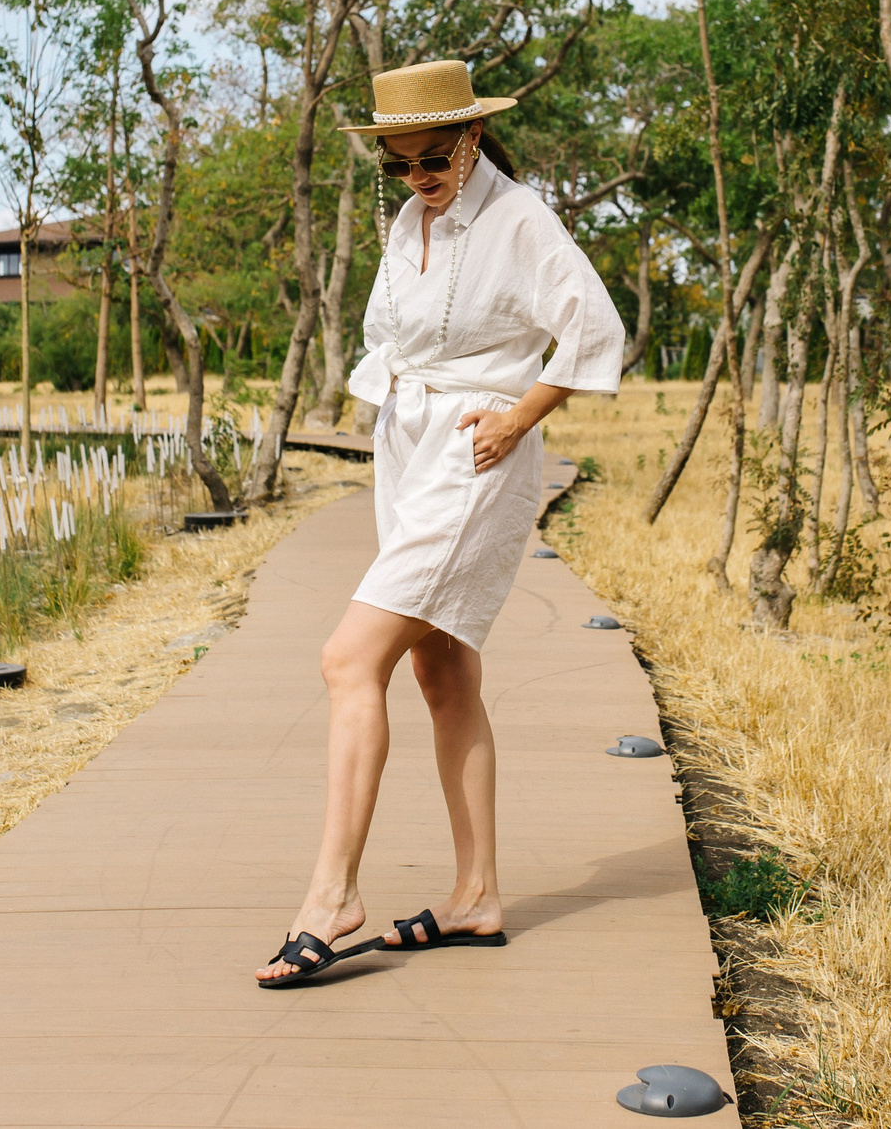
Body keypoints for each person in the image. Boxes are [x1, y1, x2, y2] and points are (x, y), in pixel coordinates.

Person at [255, 59, 625, 987]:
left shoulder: (520, 218)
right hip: (409, 450)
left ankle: (332, 895)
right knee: (441, 667)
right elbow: (393, 339)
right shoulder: (408, 223)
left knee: (349, 658)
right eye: (398, 162)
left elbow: (592, 326)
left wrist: (519, 416)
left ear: (471, 137)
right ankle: (476, 895)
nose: (417, 175)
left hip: (475, 452)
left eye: (432, 157)